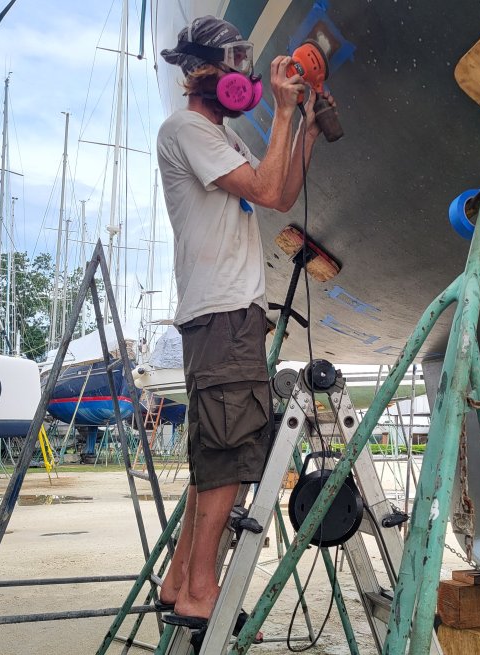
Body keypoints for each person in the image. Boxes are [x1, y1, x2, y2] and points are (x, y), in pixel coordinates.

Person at [155, 16, 335, 634]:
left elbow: (279, 194)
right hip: (223, 312)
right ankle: (203, 593)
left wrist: (304, 128)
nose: (245, 76)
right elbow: (263, 188)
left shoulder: (223, 138)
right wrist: (283, 109)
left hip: (228, 313)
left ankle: (179, 581)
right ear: (205, 73)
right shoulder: (186, 128)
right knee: (231, 458)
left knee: (214, 455)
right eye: (234, 64)